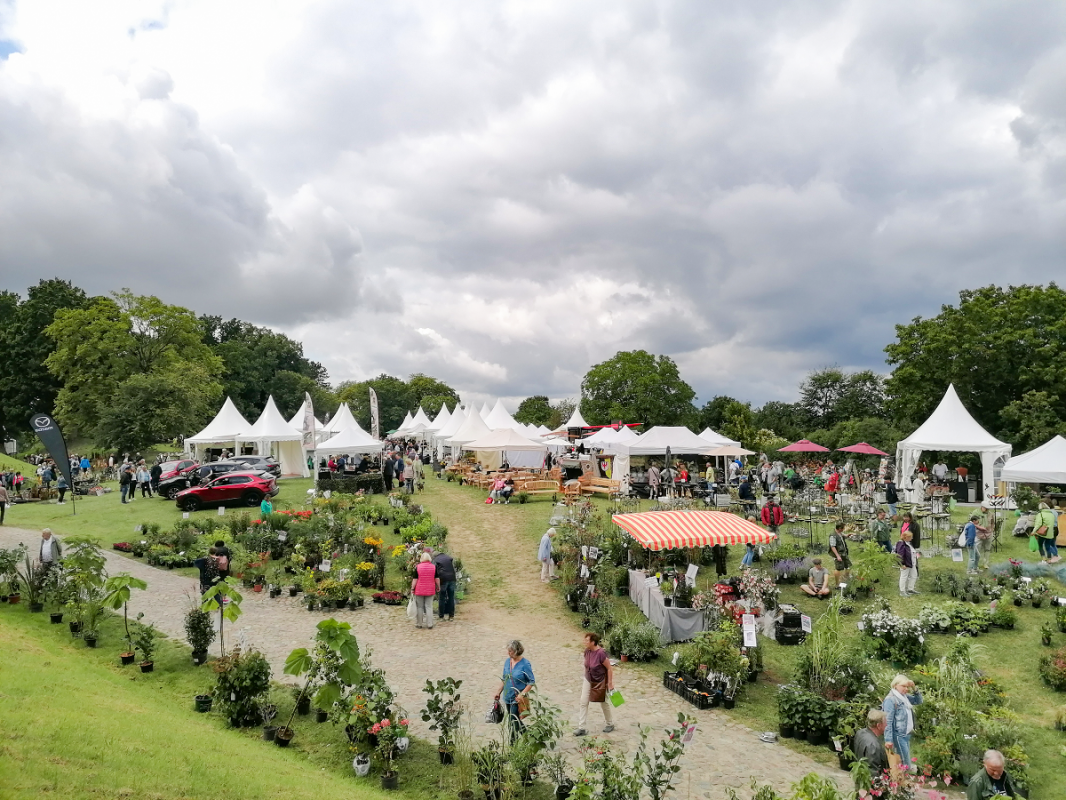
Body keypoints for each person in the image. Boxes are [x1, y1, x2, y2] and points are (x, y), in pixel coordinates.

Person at [574, 632, 615, 736]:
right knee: (583, 701)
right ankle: (581, 727)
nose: (584, 642)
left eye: (587, 640)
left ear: (593, 642)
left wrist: (609, 683)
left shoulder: (601, 653)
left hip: (600, 681)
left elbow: (609, 668)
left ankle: (610, 723)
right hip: (588, 679)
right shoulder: (587, 651)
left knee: (603, 702)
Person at [494, 640, 535, 735]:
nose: (508, 653)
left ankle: (513, 744)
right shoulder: (507, 662)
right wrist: (498, 692)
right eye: (508, 650)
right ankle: (528, 738)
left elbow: (531, 681)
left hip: (517, 699)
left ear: (517, 651)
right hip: (508, 697)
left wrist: (522, 694)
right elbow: (505, 678)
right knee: (515, 721)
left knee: (512, 722)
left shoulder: (525, 664)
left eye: (510, 651)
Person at [882, 674, 922, 769]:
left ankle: (901, 781)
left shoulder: (904, 697)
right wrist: (888, 740)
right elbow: (888, 720)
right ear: (895, 685)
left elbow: (918, 701)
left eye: (907, 687)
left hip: (906, 735)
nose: (906, 689)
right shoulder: (891, 700)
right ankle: (902, 782)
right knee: (905, 764)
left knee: (903, 763)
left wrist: (914, 688)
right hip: (899, 736)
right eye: (903, 686)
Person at [852, 709, 889, 776]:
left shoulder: (860, 733)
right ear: (878, 726)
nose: (886, 725)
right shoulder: (873, 745)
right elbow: (873, 772)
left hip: (860, 775)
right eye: (885, 723)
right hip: (868, 782)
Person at [411, 552, 440, 629]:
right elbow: (437, 579)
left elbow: (415, 579)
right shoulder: (434, 567)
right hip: (430, 589)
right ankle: (430, 624)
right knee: (429, 606)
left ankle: (419, 624)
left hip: (419, 590)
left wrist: (412, 588)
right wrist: (438, 586)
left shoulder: (417, 567)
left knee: (419, 607)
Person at [432, 548, 457, 621]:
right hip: (452, 578)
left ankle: (441, 616)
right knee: (451, 597)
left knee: (442, 597)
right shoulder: (447, 557)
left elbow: (434, 571)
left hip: (443, 579)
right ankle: (451, 616)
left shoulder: (436, 559)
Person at [895, 530, 919, 597]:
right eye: (910, 537)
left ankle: (910, 589)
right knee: (904, 577)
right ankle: (902, 591)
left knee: (914, 575)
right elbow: (900, 555)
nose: (912, 538)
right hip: (906, 564)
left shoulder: (908, 543)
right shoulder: (901, 544)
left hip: (912, 563)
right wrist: (901, 564)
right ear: (906, 537)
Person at [829, 522, 851, 587]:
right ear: (839, 528)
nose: (844, 529)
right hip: (838, 554)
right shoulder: (833, 535)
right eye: (843, 528)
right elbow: (832, 546)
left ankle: (846, 580)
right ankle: (837, 584)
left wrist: (848, 535)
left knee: (848, 566)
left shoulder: (839, 533)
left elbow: (843, 536)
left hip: (844, 553)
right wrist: (837, 556)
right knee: (838, 568)